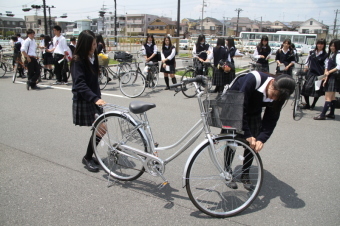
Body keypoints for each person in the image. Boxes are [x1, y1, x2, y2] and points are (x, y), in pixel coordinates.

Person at [222, 72, 295, 189]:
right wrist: (247, 133)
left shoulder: (280, 94)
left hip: (254, 111)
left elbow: (272, 118)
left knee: (253, 145)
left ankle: (245, 174)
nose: (273, 98)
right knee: (232, 142)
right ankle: (227, 171)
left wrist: (262, 138)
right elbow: (240, 107)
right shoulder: (253, 79)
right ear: (272, 83)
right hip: (234, 107)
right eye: (273, 94)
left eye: (278, 98)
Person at [71, 30, 106, 172]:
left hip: (94, 98)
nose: (94, 47)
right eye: (92, 44)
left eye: (95, 44)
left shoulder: (93, 57)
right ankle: (87, 157)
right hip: (85, 99)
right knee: (102, 128)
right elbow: (79, 84)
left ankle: (90, 155)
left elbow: (95, 81)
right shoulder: (77, 60)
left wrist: (98, 97)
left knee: (101, 129)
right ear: (85, 44)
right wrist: (95, 98)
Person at [314, 39, 340, 120]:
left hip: (333, 77)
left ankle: (322, 115)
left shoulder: (338, 54)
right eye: (331, 45)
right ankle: (331, 113)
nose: (332, 47)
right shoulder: (332, 54)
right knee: (332, 97)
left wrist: (329, 72)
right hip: (331, 77)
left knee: (328, 97)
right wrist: (326, 74)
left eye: (334, 46)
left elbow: (339, 66)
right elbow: (327, 65)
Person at [301, 39, 327, 110]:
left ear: (324, 45)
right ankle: (307, 104)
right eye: (319, 44)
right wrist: (306, 67)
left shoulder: (325, 55)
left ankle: (313, 105)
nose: (320, 45)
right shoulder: (311, 52)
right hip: (311, 73)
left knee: (317, 90)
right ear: (316, 44)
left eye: (322, 44)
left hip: (319, 74)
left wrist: (325, 75)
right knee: (306, 89)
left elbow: (326, 66)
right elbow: (307, 61)